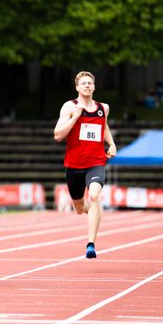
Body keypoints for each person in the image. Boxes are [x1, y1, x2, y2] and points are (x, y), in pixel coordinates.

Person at [53, 71, 116, 259]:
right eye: (84, 83)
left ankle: (91, 245)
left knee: (95, 196)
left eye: (90, 83)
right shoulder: (69, 107)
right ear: (78, 88)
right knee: (79, 208)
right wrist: (75, 117)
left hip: (96, 162)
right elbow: (57, 135)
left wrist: (111, 143)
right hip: (74, 165)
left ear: (94, 87)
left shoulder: (103, 108)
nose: (87, 85)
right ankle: (90, 213)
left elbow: (103, 127)